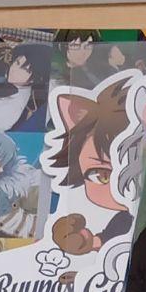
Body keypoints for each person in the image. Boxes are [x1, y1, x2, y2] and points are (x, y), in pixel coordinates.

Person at [47, 81, 134, 254]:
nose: (122, 188)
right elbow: (102, 242)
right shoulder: (123, 221)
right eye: (102, 175)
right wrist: (81, 242)